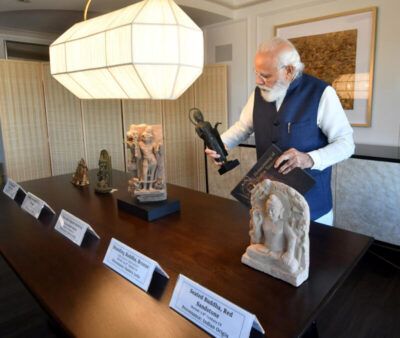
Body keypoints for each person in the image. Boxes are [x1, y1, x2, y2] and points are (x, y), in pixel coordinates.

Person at [206, 37, 355, 226]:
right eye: (257, 73)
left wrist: (308, 159)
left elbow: (346, 144)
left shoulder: (322, 93)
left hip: (312, 208)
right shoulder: (257, 94)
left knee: (313, 256)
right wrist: (221, 144)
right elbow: (243, 127)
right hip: (270, 203)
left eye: (266, 75)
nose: (258, 81)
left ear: (290, 70)